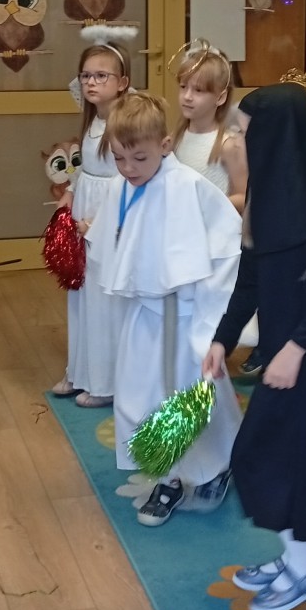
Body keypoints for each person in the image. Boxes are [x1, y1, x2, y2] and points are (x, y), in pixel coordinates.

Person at [202, 81, 306, 610]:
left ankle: (305, 564)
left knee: (275, 453)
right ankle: (296, 554)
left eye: (243, 131)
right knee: (277, 452)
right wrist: (223, 337)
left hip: (304, 358)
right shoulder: (264, 200)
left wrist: (296, 349)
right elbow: (251, 280)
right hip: (282, 353)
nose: (233, 140)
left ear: (276, 138)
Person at [88, 93, 243, 526]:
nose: (128, 168)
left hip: (187, 317)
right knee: (142, 397)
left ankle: (211, 469)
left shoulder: (189, 187)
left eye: (139, 158)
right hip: (146, 314)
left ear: (165, 144)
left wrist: (211, 320)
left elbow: (227, 247)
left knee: (189, 397)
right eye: (119, 158)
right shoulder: (122, 186)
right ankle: (169, 473)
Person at [52, 28, 135, 407]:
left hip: (110, 221)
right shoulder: (92, 121)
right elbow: (87, 169)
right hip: (84, 212)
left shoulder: (125, 125)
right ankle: (80, 369)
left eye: (101, 75)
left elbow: (129, 179)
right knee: (82, 296)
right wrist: (70, 192)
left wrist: (99, 223)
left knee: (105, 300)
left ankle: (105, 381)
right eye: (86, 75)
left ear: (122, 83)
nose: (91, 82)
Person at [171, 40, 247, 211]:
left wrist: (208, 203)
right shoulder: (176, 137)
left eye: (198, 90)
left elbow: (244, 196)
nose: (187, 96)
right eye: (183, 87)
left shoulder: (228, 145)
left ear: (220, 97)